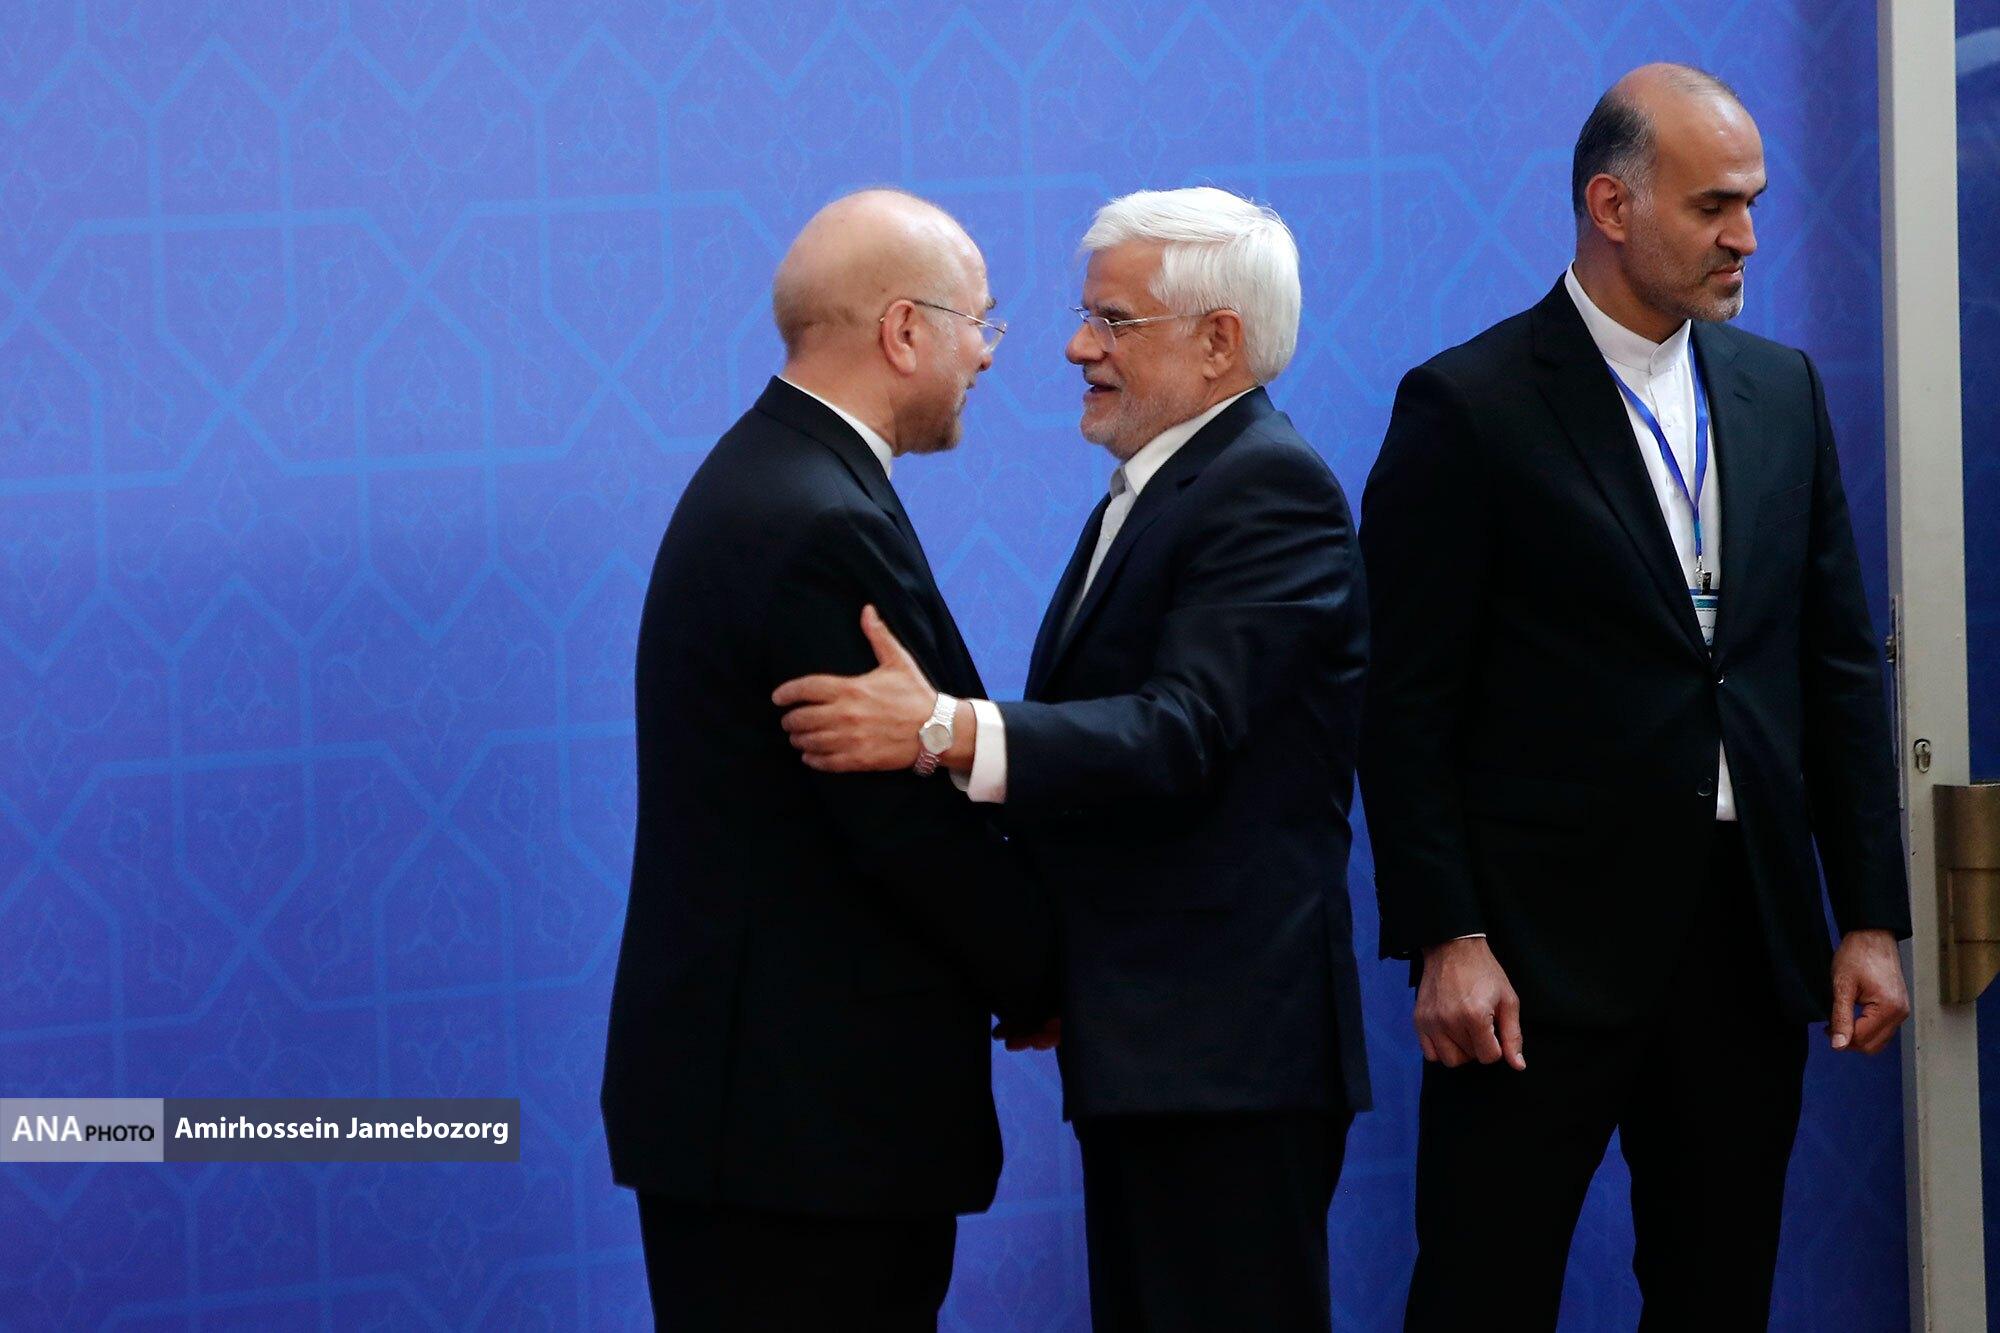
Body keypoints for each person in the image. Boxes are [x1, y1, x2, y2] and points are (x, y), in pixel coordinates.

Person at [1358, 64, 1912, 1330]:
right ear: (1609, 206)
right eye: (1713, 205)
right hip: (1531, 959)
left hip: (1744, 937)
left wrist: (1868, 915)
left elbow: (1831, 667)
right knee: (1481, 1295)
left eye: (1753, 203)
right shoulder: (1468, 404)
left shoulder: (1780, 390)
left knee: (1718, 1293)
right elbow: (1402, 703)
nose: (1745, 237)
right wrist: (1447, 934)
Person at [774, 186, 1370, 1332]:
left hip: (1226, 1061)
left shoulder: (1268, 488)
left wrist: (943, 728)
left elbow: (1180, 730)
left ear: (1218, 340)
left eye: (1111, 320)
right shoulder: (1157, 489)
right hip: (1154, 1047)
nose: (1073, 346)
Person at [599, 188, 1053, 1332]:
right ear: (903, 331)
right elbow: (900, 821)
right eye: (978, 323)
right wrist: (1044, 971)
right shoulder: (818, 520)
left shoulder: (768, 473)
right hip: (804, 1134)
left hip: (762, 1123)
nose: (987, 355)